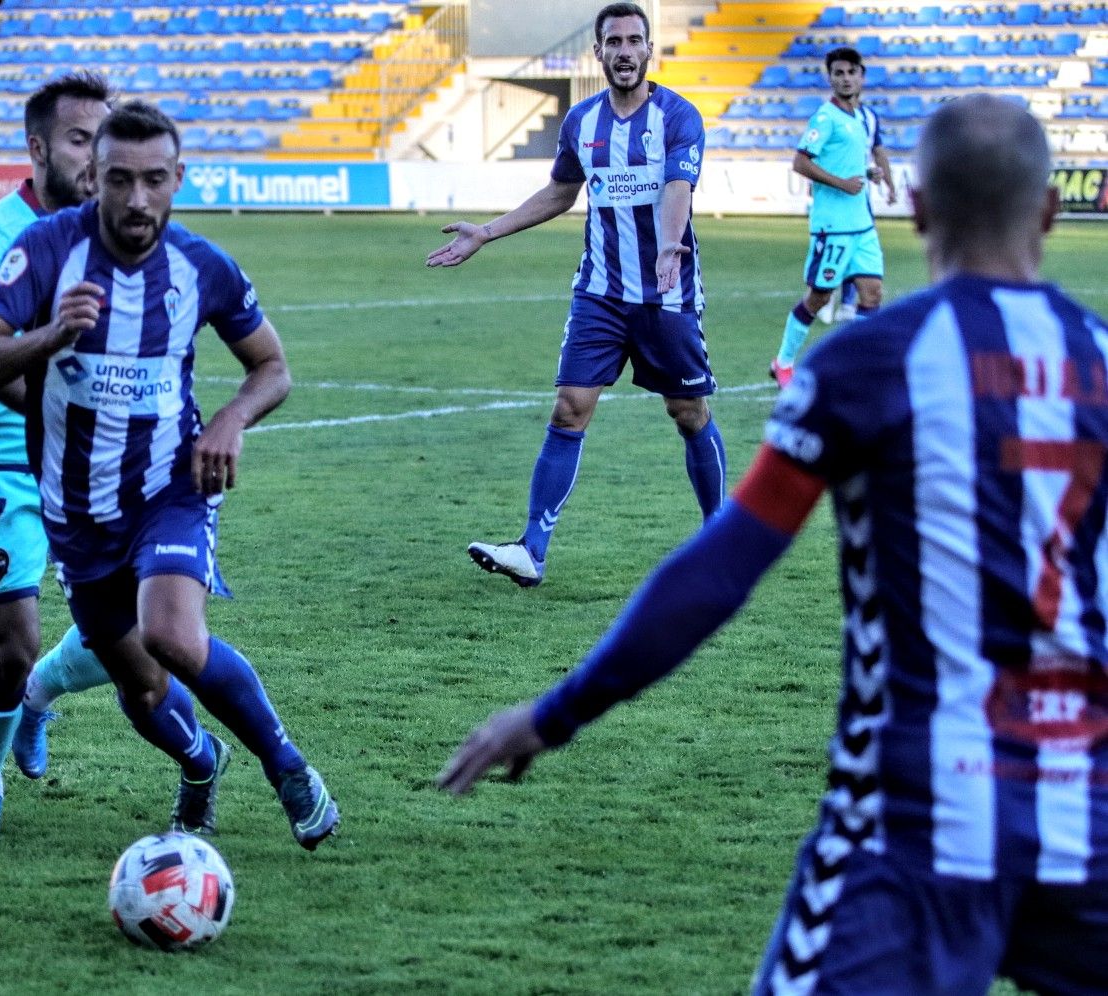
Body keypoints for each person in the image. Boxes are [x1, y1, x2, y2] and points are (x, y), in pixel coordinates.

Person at [439, 95, 1108, 994]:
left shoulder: (866, 363)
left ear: (911, 206)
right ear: (1052, 212)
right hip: (1087, 819)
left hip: (914, 825)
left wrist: (555, 713)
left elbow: (719, 570)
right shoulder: (1100, 359)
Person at [0, 101, 340, 850]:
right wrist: (53, 334)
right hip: (75, 510)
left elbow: (272, 367)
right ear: (93, 175)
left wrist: (229, 422)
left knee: (172, 637)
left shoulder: (203, 265)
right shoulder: (43, 251)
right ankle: (200, 769)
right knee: (141, 684)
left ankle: (287, 765)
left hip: (170, 487)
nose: (138, 200)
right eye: (120, 180)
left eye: (155, 181)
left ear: (178, 178)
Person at [427, 2, 726, 589]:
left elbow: (677, 187)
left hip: (666, 294)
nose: (623, 51)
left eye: (633, 40)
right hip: (600, 293)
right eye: (612, 41)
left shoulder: (678, 117)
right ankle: (531, 550)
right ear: (598, 52)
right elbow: (560, 192)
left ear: (648, 50)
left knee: (688, 412)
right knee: (569, 407)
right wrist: (486, 232)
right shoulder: (581, 124)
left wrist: (668, 246)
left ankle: (722, 536)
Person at [0, 72, 124, 840]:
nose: (95, 156)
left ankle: (39, 702)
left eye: (103, 139)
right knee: (10, 646)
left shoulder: (120, 232)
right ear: (39, 146)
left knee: (132, 630)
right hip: (8, 456)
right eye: (80, 139)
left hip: (101, 462)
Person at [770, 46, 896, 389]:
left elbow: (866, 153)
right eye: (838, 73)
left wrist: (879, 178)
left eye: (850, 72)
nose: (845, 78)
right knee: (820, 298)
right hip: (833, 227)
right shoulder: (825, 118)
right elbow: (800, 161)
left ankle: (860, 368)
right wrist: (841, 183)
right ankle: (782, 362)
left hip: (863, 226)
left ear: (861, 76)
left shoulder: (863, 117)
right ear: (831, 78)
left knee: (872, 294)